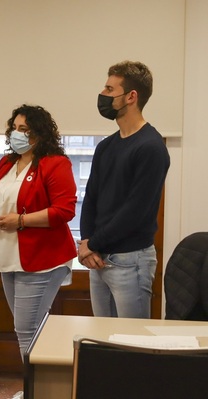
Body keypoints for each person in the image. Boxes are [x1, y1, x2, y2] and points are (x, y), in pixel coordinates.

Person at [0, 104, 77, 360]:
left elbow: (64, 211)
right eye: (14, 128)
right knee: (27, 329)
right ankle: (37, 390)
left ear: (39, 133)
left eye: (24, 129)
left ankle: (35, 392)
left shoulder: (55, 163)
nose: (17, 134)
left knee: (27, 331)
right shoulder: (6, 163)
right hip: (7, 256)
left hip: (42, 258)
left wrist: (21, 220)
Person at [78, 61, 170, 318]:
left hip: (131, 261)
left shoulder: (151, 147)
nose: (103, 95)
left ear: (131, 96)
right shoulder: (106, 146)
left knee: (131, 346)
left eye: (109, 89)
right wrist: (87, 243)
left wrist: (92, 244)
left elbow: (135, 212)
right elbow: (91, 197)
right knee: (103, 343)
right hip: (98, 256)